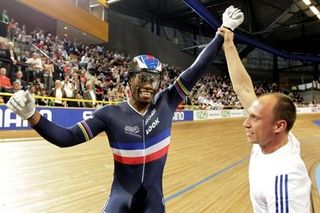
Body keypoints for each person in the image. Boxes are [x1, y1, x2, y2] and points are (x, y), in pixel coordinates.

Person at [6, 6, 243, 212]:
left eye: (154, 79)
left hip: (153, 201)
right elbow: (67, 138)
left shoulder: (167, 101)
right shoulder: (110, 114)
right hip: (121, 199)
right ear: (129, 79)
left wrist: (222, 33)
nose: (149, 85)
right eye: (142, 77)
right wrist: (32, 115)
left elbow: (197, 67)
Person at [219, 27, 311, 212]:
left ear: (279, 126)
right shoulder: (273, 137)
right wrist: (229, 45)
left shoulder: (284, 179)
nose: (246, 123)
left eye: (254, 118)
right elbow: (244, 88)